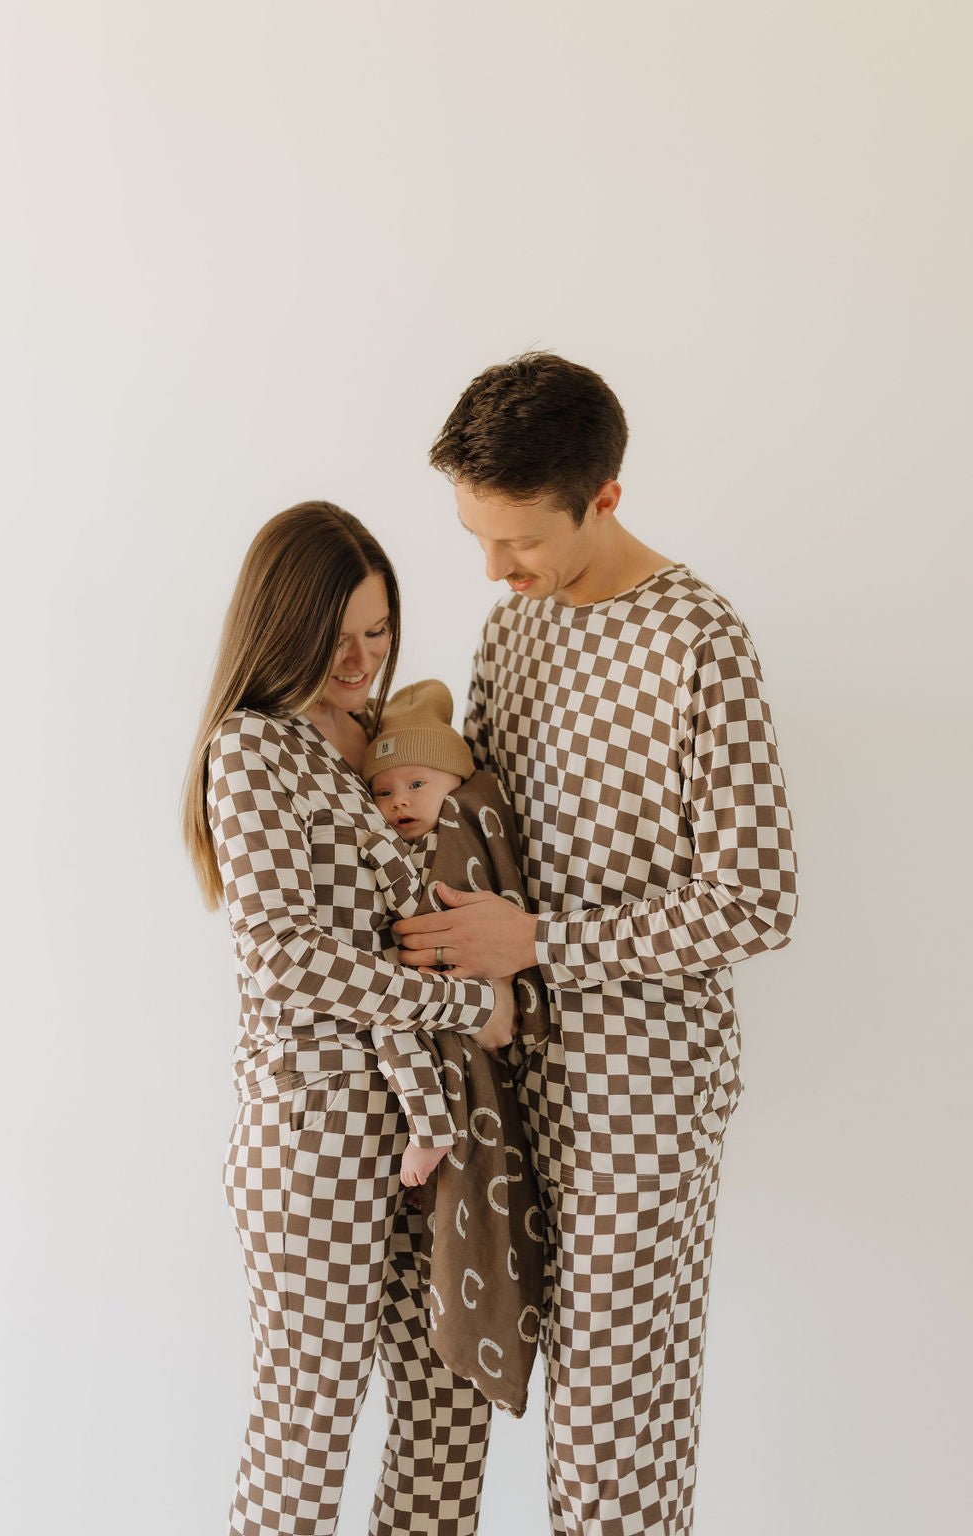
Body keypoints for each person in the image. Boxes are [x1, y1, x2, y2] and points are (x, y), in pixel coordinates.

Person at [393, 354, 799, 1534]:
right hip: (502, 1072)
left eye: (518, 540)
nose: (493, 568)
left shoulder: (696, 640)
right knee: (467, 1377)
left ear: (604, 497)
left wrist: (539, 942)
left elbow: (757, 899)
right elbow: (479, 830)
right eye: (476, 536)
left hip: (641, 1087)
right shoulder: (510, 632)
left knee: (614, 1419)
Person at [182, 501, 516, 1536]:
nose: (362, 660)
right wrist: (466, 1000)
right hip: (315, 1130)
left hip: (438, 1124)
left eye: (379, 632)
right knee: (307, 1433)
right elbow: (284, 958)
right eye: (337, 638)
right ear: (281, 626)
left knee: (449, 1420)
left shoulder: (389, 742)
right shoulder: (252, 748)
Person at [361, 677, 549, 1416]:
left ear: (454, 784)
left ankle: (433, 1126)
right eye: (383, 791)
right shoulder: (390, 864)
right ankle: (432, 1124)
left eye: (417, 783)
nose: (399, 801)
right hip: (417, 1032)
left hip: (453, 1043)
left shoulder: (465, 843)